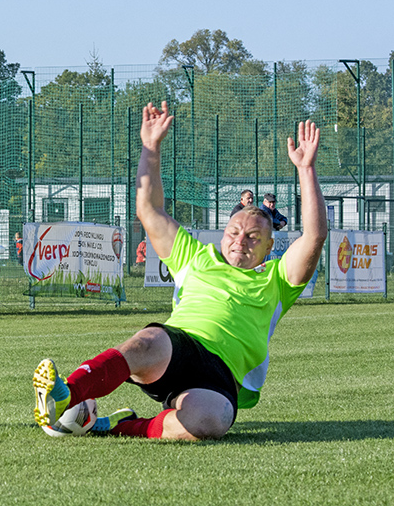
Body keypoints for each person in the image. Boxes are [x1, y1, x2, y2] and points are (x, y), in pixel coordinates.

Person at [32, 101, 326, 440]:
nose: (240, 241)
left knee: (209, 421)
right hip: (177, 347)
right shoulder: (196, 256)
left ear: (269, 246)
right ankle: (67, 393)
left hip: (221, 375)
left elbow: (314, 235)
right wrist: (150, 146)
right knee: (148, 341)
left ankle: (114, 425)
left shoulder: (278, 279)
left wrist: (306, 169)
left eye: (253, 237)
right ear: (224, 233)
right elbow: (149, 209)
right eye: (234, 232)